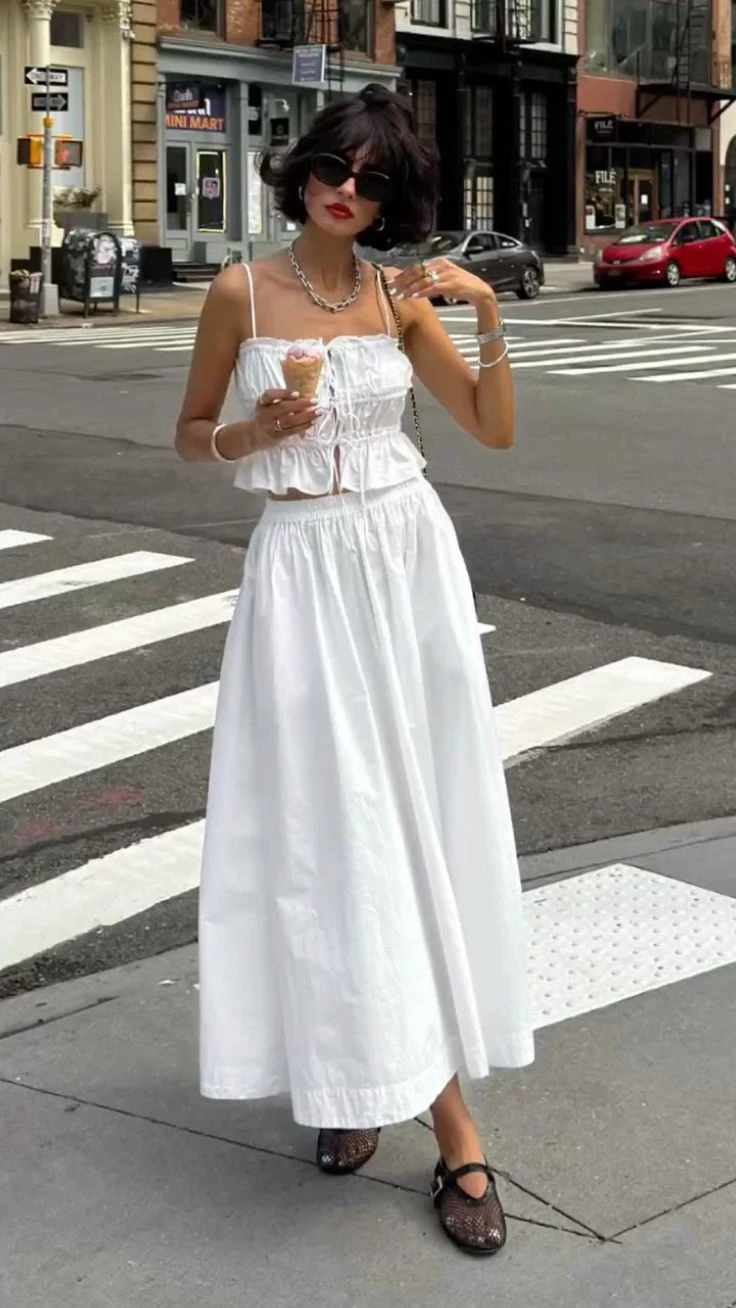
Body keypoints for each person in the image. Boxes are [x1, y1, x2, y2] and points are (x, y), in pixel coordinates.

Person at [175, 84, 534, 1256]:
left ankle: (450, 1118)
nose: (352, 190)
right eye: (339, 166)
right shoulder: (240, 290)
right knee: (326, 832)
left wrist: (482, 315)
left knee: (417, 817)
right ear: (305, 170)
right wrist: (255, 433)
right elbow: (191, 435)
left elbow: (488, 428)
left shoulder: (395, 295)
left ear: (396, 197)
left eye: (378, 180)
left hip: (403, 562)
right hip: (302, 573)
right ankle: (351, 1077)